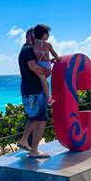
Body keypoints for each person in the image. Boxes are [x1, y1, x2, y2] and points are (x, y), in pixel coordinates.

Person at [17, 26, 54, 158]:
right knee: (39, 118)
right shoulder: (27, 49)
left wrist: (48, 64)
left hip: (35, 89)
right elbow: (33, 66)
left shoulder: (31, 49)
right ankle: (32, 149)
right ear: (30, 37)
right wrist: (46, 71)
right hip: (33, 90)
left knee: (39, 118)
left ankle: (26, 142)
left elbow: (38, 65)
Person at [32, 24, 61, 104]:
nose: (49, 35)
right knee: (46, 81)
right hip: (48, 66)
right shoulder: (48, 45)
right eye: (48, 33)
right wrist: (58, 59)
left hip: (39, 66)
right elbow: (54, 54)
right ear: (44, 34)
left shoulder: (33, 45)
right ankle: (48, 96)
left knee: (43, 80)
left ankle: (48, 97)